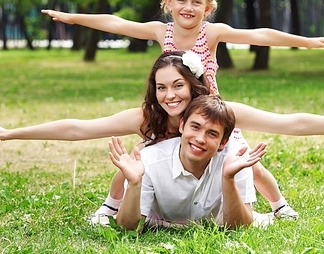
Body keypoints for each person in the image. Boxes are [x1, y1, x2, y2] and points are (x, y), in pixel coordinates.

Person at [41, 0, 324, 220]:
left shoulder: (211, 32)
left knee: (247, 160)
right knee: (140, 156)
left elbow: (261, 35)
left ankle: (280, 206)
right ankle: (109, 207)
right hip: (173, 110)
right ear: (168, 2)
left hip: (208, 112)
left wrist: (309, 41)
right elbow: (117, 23)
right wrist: (73, 18)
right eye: (181, 0)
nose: (188, 7)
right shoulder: (162, 31)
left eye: (197, 2)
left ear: (208, 8)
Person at [0, 52, 324, 222]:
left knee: (243, 155)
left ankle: (279, 205)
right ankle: (109, 208)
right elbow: (79, 128)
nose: (170, 95)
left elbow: (292, 121)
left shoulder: (217, 111)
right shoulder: (149, 116)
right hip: (162, 177)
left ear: (193, 86)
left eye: (178, 86)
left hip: (219, 168)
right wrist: (9, 134)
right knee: (134, 159)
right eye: (161, 87)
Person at [111, 94, 267, 230]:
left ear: (223, 142)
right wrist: (134, 184)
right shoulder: (149, 161)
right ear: (182, 125)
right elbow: (128, 229)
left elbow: (240, 227)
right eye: (195, 127)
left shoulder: (235, 160)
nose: (200, 139)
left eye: (212, 134)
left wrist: (228, 178)